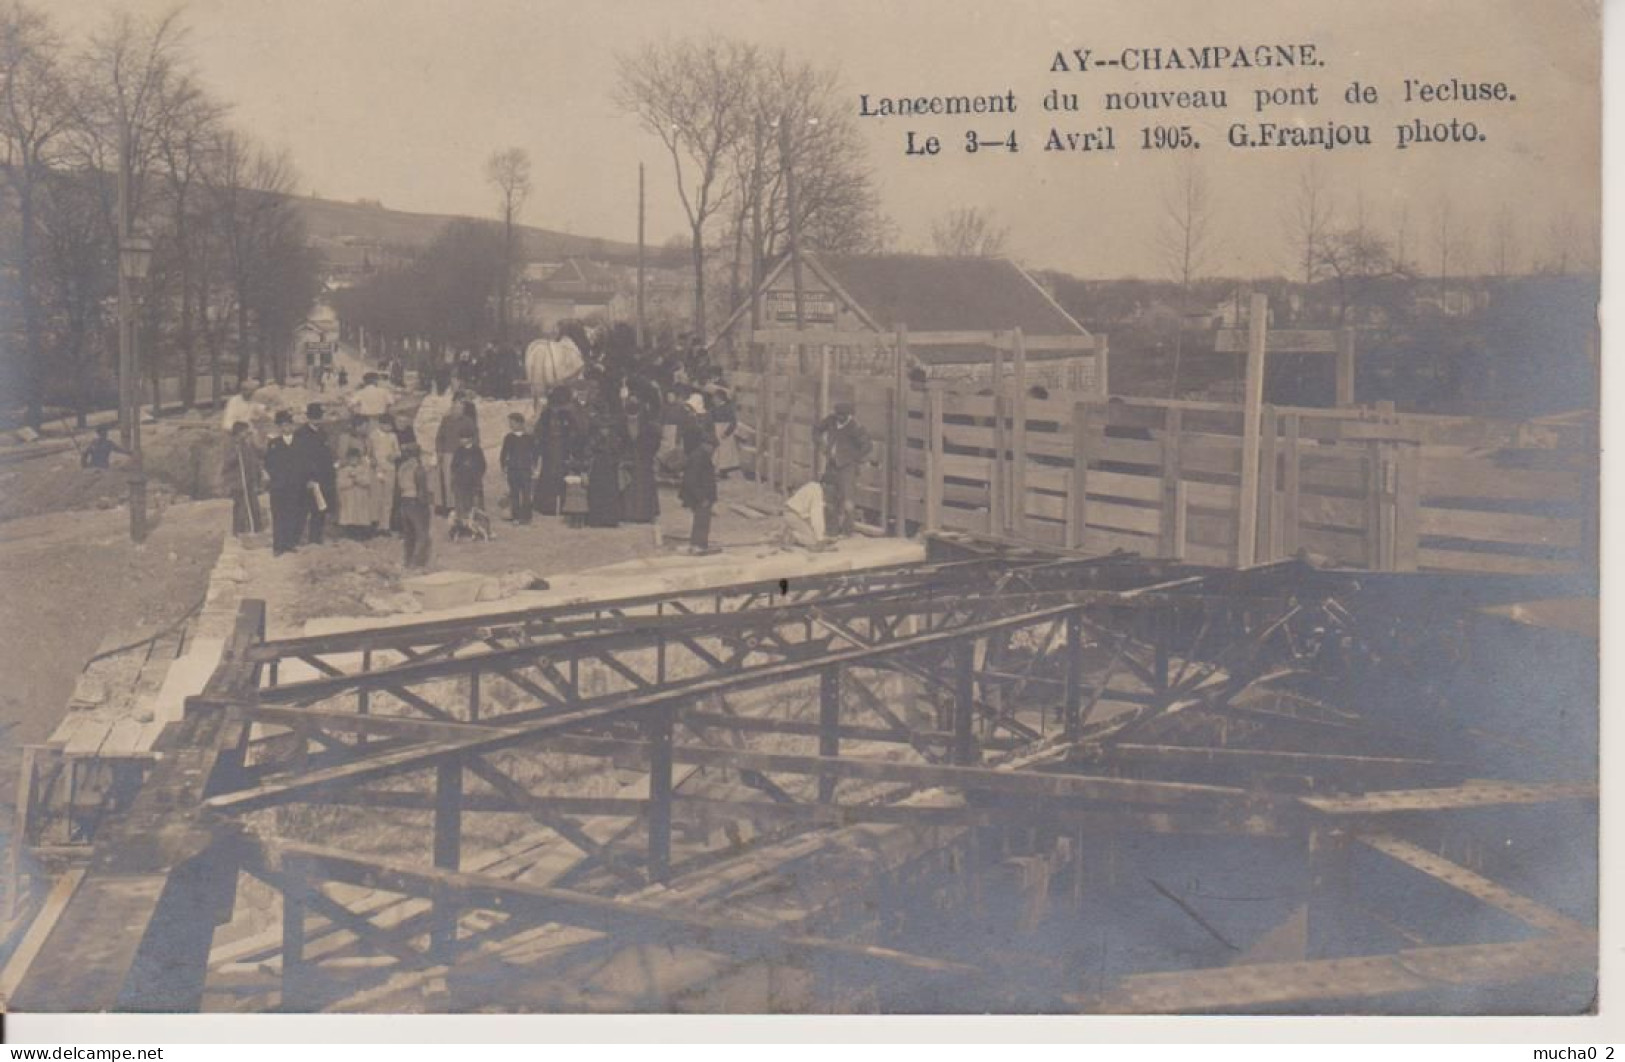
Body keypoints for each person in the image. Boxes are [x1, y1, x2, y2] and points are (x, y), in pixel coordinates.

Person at [814, 402, 872, 536]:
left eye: (842, 416)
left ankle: (847, 531)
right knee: (829, 497)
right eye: (837, 415)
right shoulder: (831, 420)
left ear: (848, 415)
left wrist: (853, 458)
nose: (839, 418)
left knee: (847, 500)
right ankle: (832, 530)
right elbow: (816, 429)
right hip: (832, 464)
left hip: (847, 467)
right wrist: (821, 443)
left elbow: (867, 446)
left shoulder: (855, 428)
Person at [679, 393, 719, 555]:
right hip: (701, 492)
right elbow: (692, 479)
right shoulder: (699, 457)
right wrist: (702, 496)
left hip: (703, 489)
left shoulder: (703, 455)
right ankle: (698, 545)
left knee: (702, 518)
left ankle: (699, 543)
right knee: (702, 518)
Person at [293, 403, 337, 544]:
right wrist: (308, 477)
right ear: (308, 418)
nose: (317, 420)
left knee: (320, 509)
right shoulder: (301, 434)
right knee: (302, 510)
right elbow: (300, 458)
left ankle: (315, 539)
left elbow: (327, 454)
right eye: (314, 417)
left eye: (318, 417)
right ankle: (295, 539)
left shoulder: (323, 432)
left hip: (323, 476)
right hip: (307, 478)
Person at [264, 410, 306, 555]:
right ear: (278, 427)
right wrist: (275, 477)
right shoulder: (273, 444)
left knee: (292, 513)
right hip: (278, 485)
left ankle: (290, 543)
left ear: (293, 426)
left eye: (288, 425)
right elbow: (268, 463)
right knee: (278, 514)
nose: (285, 428)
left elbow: (304, 463)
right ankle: (278, 545)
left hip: (295, 484)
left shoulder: (300, 443)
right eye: (282, 425)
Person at [533, 387, 575, 516]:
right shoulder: (545, 415)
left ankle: (564, 505)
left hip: (562, 448)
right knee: (548, 476)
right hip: (549, 449)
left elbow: (573, 431)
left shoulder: (566, 415)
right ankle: (546, 506)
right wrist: (541, 445)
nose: (556, 408)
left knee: (562, 475)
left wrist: (569, 444)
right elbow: (539, 432)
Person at [620, 390, 660, 524]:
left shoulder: (648, 425)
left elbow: (654, 441)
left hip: (643, 458)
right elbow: (620, 440)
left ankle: (645, 514)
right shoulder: (621, 423)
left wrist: (648, 453)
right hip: (629, 458)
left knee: (644, 486)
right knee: (629, 486)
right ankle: (629, 513)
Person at [221, 422, 264, 534]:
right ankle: (238, 533)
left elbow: (256, 458)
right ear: (239, 433)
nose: (247, 434)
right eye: (245, 432)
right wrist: (236, 453)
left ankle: (256, 530)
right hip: (237, 482)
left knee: (254, 506)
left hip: (249, 481)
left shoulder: (247, 444)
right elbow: (227, 464)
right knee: (240, 508)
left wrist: (257, 477)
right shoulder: (231, 445)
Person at [395, 441, 432, 569]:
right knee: (421, 534)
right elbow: (421, 489)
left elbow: (398, 488)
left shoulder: (402, 467)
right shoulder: (418, 468)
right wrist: (425, 505)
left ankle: (407, 561)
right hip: (415, 501)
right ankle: (417, 563)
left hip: (404, 501)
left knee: (409, 534)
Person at [585, 411, 624, 528]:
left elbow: (619, 452)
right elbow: (587, 451)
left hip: (610, 470)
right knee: (596, 494)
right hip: (597, 469)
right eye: (602, 428)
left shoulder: (615, 439)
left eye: (606, 428)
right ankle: (596, 519)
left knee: (611, 495)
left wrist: (615, 459)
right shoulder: (594, 439)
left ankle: (610, 519)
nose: (604, 431)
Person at [499, 412, 536, 524]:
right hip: (513, 469)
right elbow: (503, 453)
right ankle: (515, 516)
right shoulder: (508, 438)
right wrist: (503, 466)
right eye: (510, 423)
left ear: (520, 424)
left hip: (525, 469)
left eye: (513, 423)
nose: (511, 425)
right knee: (514, 493)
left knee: (526, 493)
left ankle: (526, 517)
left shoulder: (529, 438)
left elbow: (535, 452)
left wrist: (533, 465)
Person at [433, 396, 468, 516]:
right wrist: (439, 451)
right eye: (456, 408)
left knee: (462, 480)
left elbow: (474, 437)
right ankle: (449, 506)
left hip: (463, 454)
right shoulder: (446, 420)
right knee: (448, 481)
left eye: (460, 409)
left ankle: (462, 505)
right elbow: (439, 437)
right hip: (448, 453)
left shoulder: (467, 421)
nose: (458, 411)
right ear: (452, 409)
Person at [368, 413, 402, 531]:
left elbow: (398, 452)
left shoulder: (393, 436)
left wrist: (394, 456)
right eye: (387, 425)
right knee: (376, 496)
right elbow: (369, 453)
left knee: (388, 498)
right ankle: (375, 523)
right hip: (377, 469)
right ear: (381, 424)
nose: (389, 428)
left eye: (390, 426)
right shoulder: (373, 436)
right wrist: (372, 461)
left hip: (390, 469)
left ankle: (385, 525)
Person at [449, 427, 487, 527]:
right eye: (460, 438)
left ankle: (476, 525)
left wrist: (476, 475)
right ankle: (463, 525)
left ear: (470, 438)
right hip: (461, 482)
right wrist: (458, 473)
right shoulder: (458, 451)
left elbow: (482, 465)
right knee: (461, 503)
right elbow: (453, 466)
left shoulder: (477, 450)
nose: (461, 440)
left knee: (474, 504)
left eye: (463, 438)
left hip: (474, 482)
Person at [336, 447, 375, 538]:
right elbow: (340, 484)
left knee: (361, 515)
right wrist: (351, 482)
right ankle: (350, 532)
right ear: (348, 459)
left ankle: (361, 533)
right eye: (351, 458)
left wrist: (357, 479)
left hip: (360, 497)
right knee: (349, 514)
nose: (353, 460)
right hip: (349, 497)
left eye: (355, 458)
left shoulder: (363, 469)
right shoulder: (343, 470)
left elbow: (367, 481)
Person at [783, 479, 831, 551]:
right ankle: (792, 535)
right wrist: (820, 538)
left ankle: (793, 532)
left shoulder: (812, 486)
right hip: (793, 515)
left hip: (791, 513)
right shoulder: (817, 491)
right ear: (824, 484)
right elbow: (817, 516)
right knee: (812, 541)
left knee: (813, 535)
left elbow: (808, 515)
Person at [708, 384, 741, 479]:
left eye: (715, 398)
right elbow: (711, 420)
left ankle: (723, 471)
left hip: (725, 431)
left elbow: (734, 422)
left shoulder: (728, 409)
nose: (713, 400)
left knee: (725, 452)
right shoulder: (713, 409)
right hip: (716, 429)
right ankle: (718, 470)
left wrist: (727, 433)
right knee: (717, 451)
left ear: (720, 399)